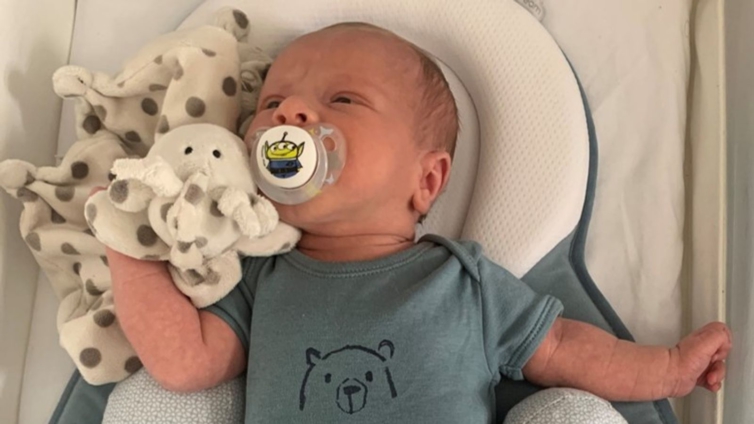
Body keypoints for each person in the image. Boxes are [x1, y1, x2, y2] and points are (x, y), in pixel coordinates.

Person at [105, 22, 731, 422]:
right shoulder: (260, 279)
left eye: (342, 99)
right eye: (270, 104)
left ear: (426, 180)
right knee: (151, 403)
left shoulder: (462, 281)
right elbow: (185, 363)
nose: (289, 112)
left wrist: (668, 368)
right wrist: (128, 238)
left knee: (573, 413)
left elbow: (564, 348)